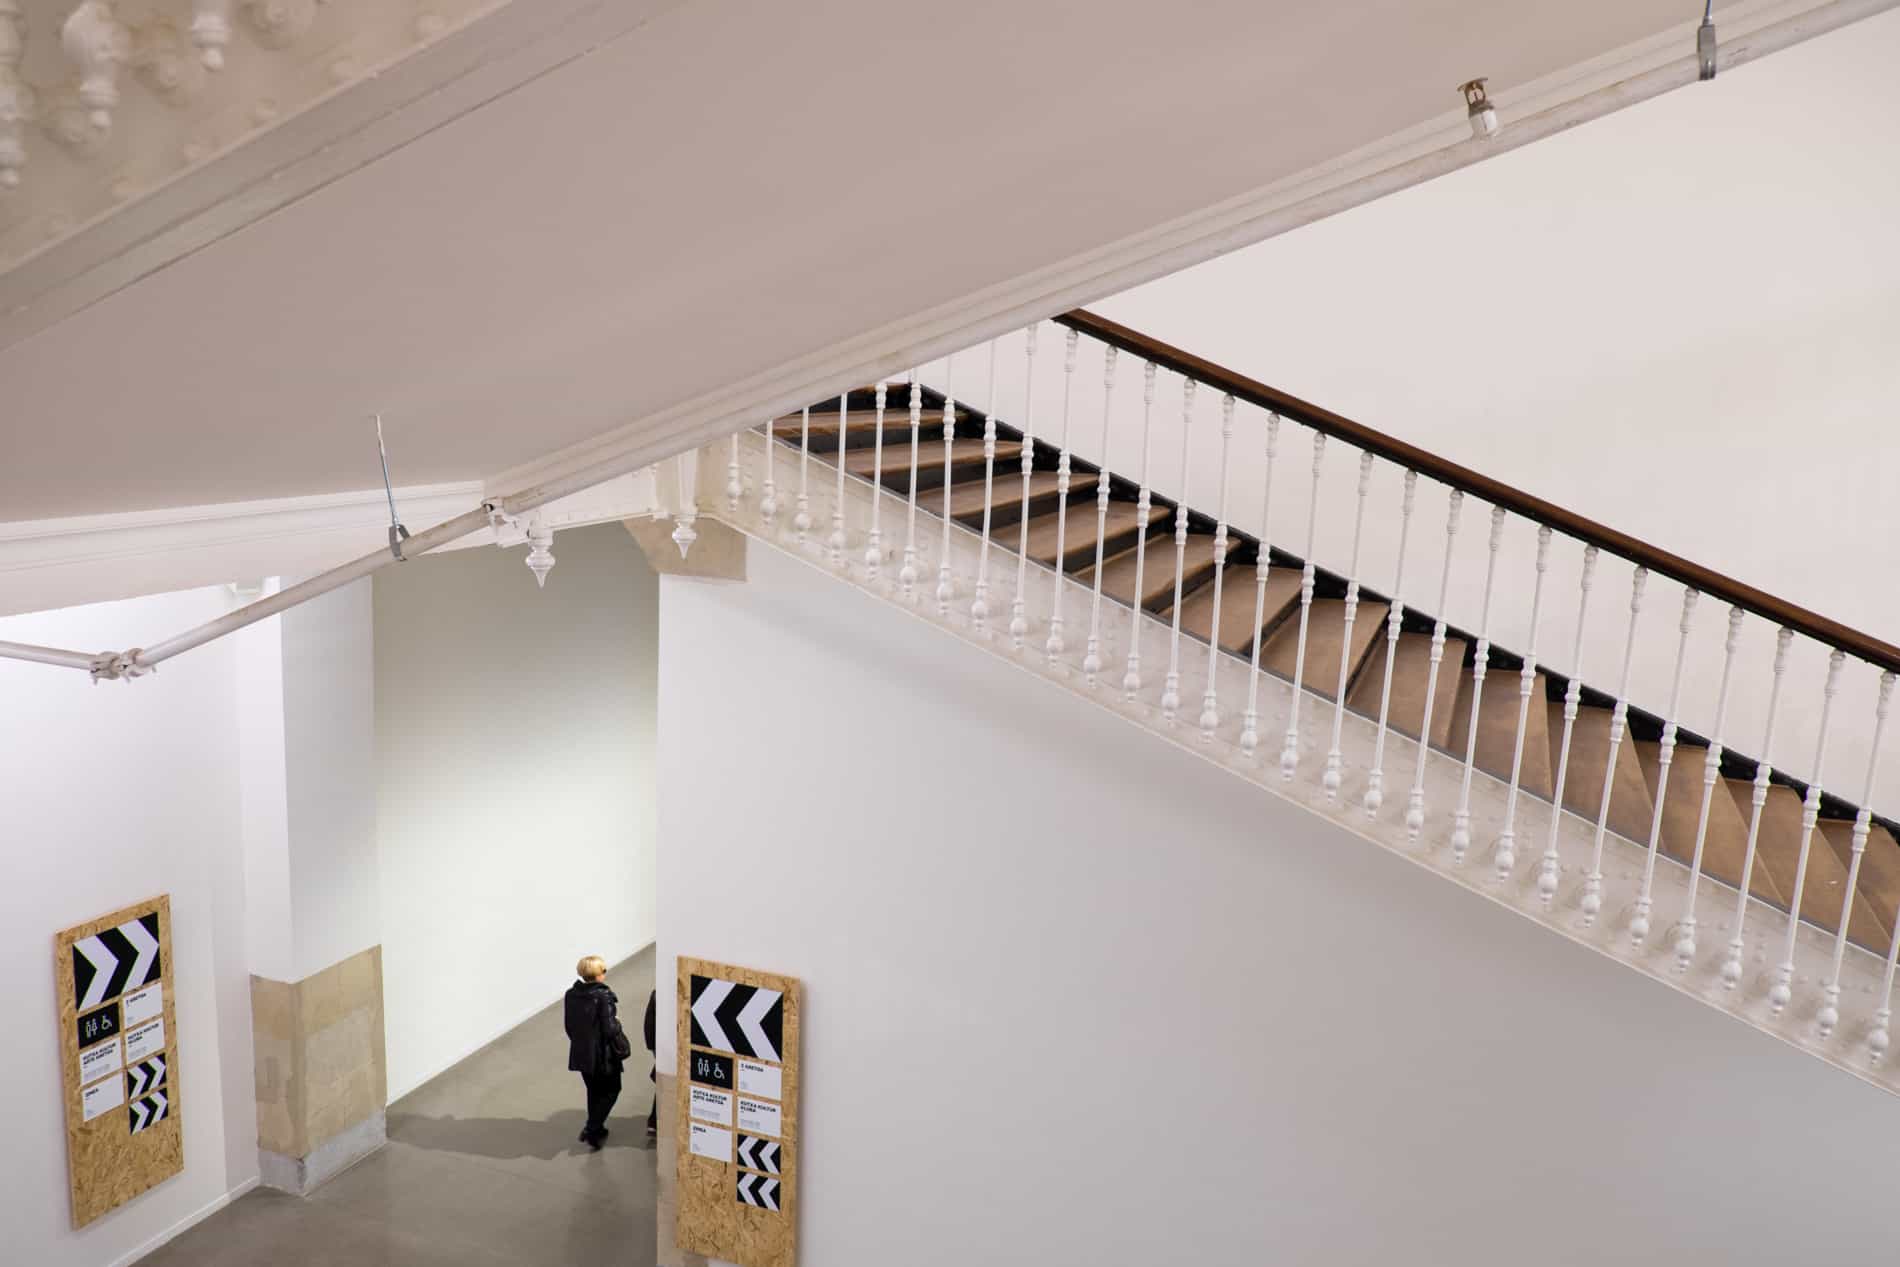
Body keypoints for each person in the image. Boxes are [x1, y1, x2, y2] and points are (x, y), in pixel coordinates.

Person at [564, 955, 628, 1149]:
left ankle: (597, 1129)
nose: (605, 974)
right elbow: (609, 1029)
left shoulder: (571, 994)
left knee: (593, 1091)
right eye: (604, 971)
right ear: (598, 974)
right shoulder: (603, 995)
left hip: (582, 1052)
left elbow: (569, 1026)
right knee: (612, 1090)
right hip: (603, 1055)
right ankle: (592, 1128)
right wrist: (618, 1022)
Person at [643, 989, 657, 1136]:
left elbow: (648, 1023)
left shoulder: (656, 993)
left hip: (659, 1046)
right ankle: (654, 1121)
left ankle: (654, 1122)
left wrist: (652, 1046)